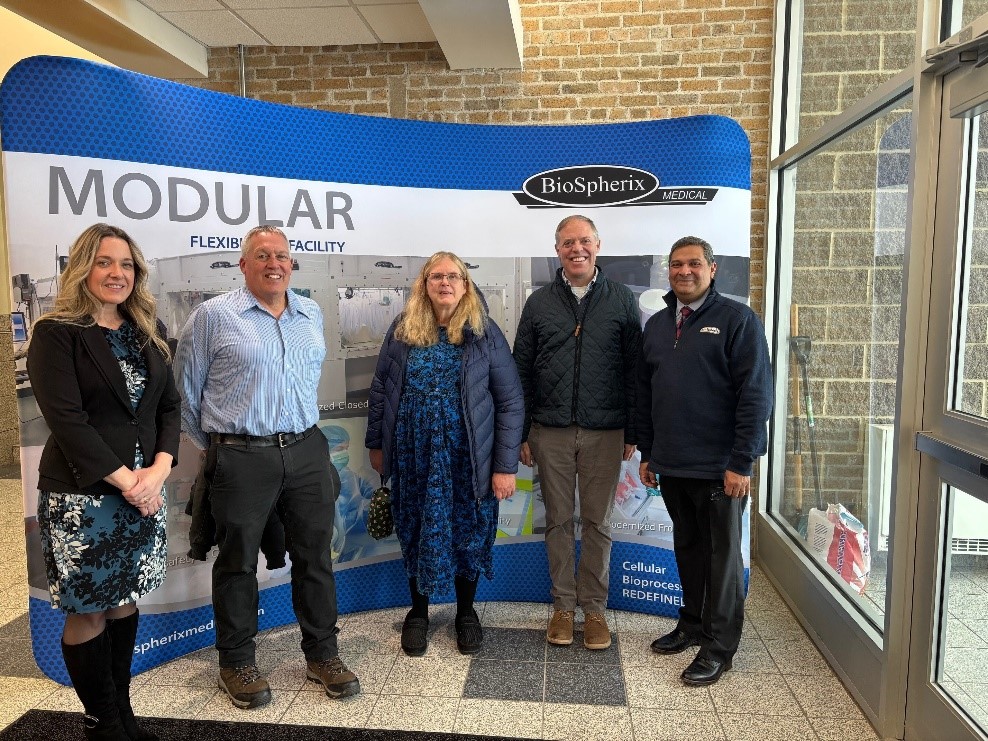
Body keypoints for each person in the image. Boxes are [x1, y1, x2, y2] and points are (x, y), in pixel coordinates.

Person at [175, 225, 359, 709]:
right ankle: (236, 663)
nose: (273, 263)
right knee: (237, 562)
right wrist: (222, 448)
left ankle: (323, 655)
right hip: (241, 454)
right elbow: (185, 394)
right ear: (244, 264)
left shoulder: (309, 312)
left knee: (315, 555)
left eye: (281, 255)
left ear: (291, 263)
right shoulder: (213, 316)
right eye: (261, 255)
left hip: (306, 449)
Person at [28, 223, 180, 741]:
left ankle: (123, 715)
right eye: (105, 262)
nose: (118, 273)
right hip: (84, 497)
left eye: (127, 264)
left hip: (144, 491)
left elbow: (169, 407)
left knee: (125, 600)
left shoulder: (147, 331)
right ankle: (103, 724)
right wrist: (130, 483)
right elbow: (68, 422)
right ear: (82, 268)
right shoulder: (56, 333)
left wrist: (158, 470)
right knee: (90, 609)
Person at [366, 251, 523, 656]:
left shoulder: (484, 332)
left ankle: (466, 613)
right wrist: (376, 445)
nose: (445, 283)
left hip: (469, 456)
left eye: (453, 276)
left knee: (469, 531)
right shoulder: (402, 329)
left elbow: (510, 402)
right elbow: (382, 389)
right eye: (436, 276)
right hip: (414, 453)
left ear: (465, 285)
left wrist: (505, 467)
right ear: (424, 284)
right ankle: (418, 613)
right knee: (416, 526)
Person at [637, 236, 772, 687]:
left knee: (722, 560)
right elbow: (647, 393)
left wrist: (742, 462)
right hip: (673, 463)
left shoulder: (738, 320)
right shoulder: (658, 325)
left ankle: (719, 648)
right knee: (689, 549)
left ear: (712, 270)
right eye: (677, 264)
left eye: (694, 263)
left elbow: (756, 396)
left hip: (720, 467)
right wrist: (649, 453)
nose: (684, 271)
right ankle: (692, 624)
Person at [513, 214, 641, 651]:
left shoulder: (621, 299)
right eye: (568, 243)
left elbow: (635, 371)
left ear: (598, 246)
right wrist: (522, 432)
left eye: (584, 241)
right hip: (549, 430)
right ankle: (563, 607)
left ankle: (595, 609)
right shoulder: (539, 303)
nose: (577, 249)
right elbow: (521, 370)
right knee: (558, 521)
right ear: (558, 251)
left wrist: (633, 429)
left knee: (598, 522)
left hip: (606, 430)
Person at [321, 425, 376, 563]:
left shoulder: (348, 475)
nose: (344, 453)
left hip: (353, 545)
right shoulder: (316, 478)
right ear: (324, 450)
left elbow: (368, 494)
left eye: (346, 448)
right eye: (339, 449)